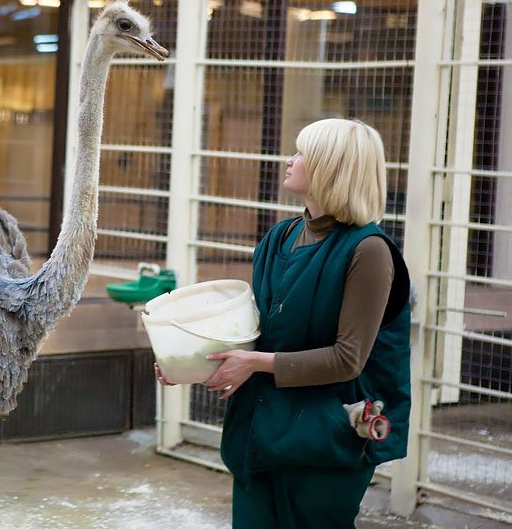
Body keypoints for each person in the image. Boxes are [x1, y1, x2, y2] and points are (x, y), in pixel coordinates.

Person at [155, 118, 411, 529]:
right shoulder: (279, 238)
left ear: (331, 166)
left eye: (301, 152)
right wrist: (189, 362)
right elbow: (257, 334)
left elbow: (347, 360)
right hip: (260, 432)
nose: (289, 160)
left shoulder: (369, 250)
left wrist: (254, 364)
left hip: (324, 444)